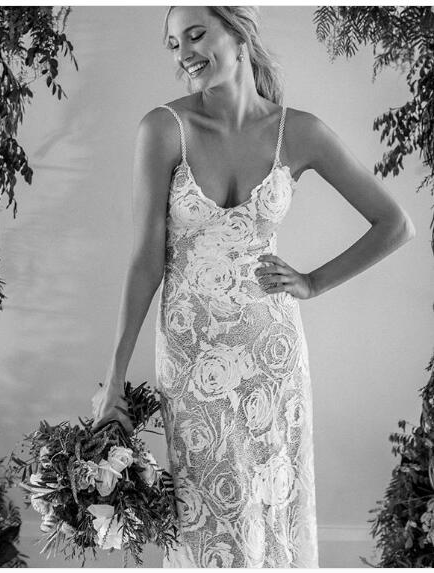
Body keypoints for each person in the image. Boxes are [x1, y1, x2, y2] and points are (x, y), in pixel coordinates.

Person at [91, 5, 416, 568]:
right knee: (205, 521)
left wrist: (312, 282)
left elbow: (395, 224)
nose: (184, 53)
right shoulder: (164, 129)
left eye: (196, 34)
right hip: (192, 362)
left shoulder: (300, 131)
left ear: (239, 34)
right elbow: (146, 262)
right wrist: (114, 377)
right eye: (174, 44)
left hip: (273, 358)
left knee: (270, 514)